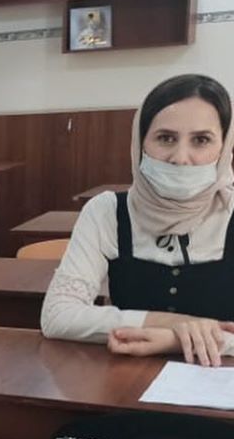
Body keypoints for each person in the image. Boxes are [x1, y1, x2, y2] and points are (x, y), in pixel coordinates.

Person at [41, 74, 234, 366]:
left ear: (224, 147)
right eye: (165, 138)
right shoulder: (106, 211)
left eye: (201, 140)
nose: (180, 158)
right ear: (140, 142)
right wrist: (172, 323)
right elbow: (58, 315)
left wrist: (173, 340)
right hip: (126, 381)